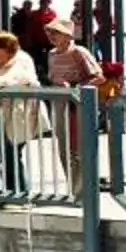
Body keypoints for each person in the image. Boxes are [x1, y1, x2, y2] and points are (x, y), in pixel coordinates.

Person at [0, 31, 46, 196]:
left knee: (11, 154)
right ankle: (11, 192)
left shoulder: (21, 59)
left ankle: (19, 193)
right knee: (6, 155)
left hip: (18, 114)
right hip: (0, 113)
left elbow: (10, 79)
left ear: (4, 48)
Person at [41, 17, 100, 194]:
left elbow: (98, 76)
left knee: (80, 148)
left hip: (79, 105)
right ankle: (74, 188)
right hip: (60, 104)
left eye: (56, 32)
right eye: (49, 32)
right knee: (63, 147)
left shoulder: (79, 51)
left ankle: (84, 191)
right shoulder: (51, 54)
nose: (51, 36)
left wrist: (75, 87)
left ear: (67, 35)